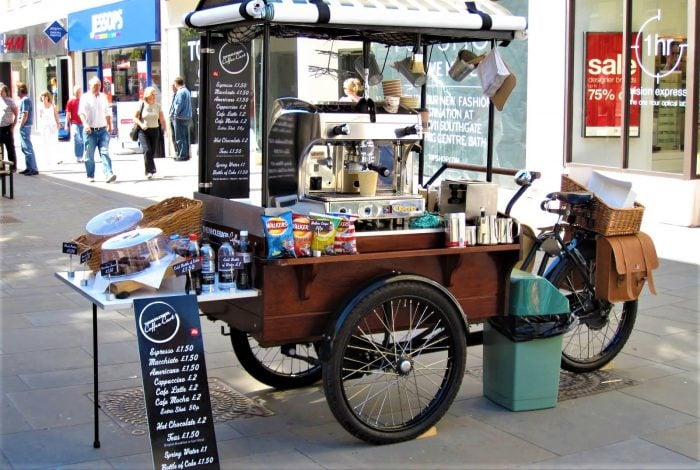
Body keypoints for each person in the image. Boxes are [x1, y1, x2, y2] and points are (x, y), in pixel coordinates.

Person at [79, 77, 116, 183]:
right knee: (89, 154)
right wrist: (85, 124)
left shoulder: (103, 97)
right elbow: (81, 113)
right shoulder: (85, 97)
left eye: (99, 85)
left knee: (105, 152)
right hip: (90, 131)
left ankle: (109, 173)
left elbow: (107, 112)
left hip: (103, 130)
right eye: (95, 85)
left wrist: (109, 124)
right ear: (90, 86)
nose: (98, 87)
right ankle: (90, 175)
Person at [134, 87, 166, 179]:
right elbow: (135, 118)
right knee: (147, 150)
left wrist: (165, 129)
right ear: (147, 95)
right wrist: (141, 124)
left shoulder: (158, 106)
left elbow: (162, 118)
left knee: (151, 152)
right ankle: (150, 171)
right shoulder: (141, 105)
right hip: (143, 131)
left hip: (155, 130)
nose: (154, 96)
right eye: (152, 94)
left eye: (155, 94)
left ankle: (149, 169)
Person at [16, 82, 39, 176]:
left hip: (25, 127)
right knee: (24, 147)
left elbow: (25, 114)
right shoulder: (25, 99)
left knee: (27, 147)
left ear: (21, 90)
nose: (16, 92)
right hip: (24, 126)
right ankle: (29, 167)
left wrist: (20, 125)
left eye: (17, 90)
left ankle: (33, 168)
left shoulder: (25, 100)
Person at [169, 76, 192, 161]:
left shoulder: (180, 92)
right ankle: (185, 154)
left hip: (179, 117)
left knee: (179, 137)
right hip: (186, 117)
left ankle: (182, 155)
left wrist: (174, 114)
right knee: (185, 136)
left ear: (176, 83)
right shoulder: (186, 91)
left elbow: (178, 105)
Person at [37, 90, 61, 164]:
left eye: (44, 96)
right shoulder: (40, 105)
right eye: (42, 97)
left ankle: (56, 158)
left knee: (54, 142)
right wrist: (39, 126)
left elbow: (56, 114)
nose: (43, 98)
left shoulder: (52, 105)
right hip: (44, 126)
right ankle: (46, 159)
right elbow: (39, 117)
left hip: (52, 125)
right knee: (45, 143)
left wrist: (58, 123)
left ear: (48, 97)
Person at [0, 83, 18, 172]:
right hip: (0, 127)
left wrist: (13, 126)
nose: (0, 93)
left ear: (6, 92)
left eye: (2, 91)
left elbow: (16, 113)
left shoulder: (10, 101)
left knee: (10, 148)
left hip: (7, 127)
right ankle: (1, 165)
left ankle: (13, 167)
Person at [64, 86, 84, 163]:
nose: (78, 93)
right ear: (74, 92)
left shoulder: (83, 101)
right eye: (77, 92)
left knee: (83, 140)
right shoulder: (71, 101)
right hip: (75, 123)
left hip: (83, 123)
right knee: (77, 138)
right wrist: (66, 125)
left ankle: (82, 156)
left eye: (79, 92)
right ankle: (78, 156)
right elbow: (68, 114)